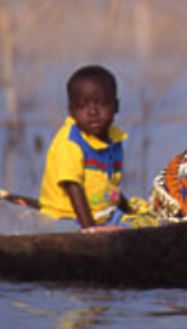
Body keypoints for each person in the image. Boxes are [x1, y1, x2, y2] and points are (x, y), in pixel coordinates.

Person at [38, 65, 140, 230]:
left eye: (101, 103)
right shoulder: (70, 141)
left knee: (140, 225)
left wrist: (129, 209)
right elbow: (73, 186)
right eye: (82, 105)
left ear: (116, 107)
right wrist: (90, 229)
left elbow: (109, 184)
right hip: (65, 217)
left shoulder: (114, 140)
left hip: (103, 214)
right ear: (71, 111)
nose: (92, 111)